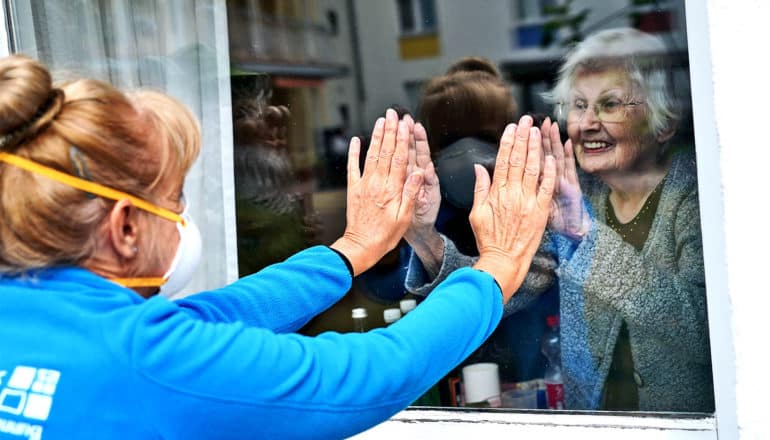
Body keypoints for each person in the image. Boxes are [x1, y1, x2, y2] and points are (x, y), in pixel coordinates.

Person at [0, 54, 555, 439]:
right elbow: (375, 370)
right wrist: (499, 266)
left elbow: (218, 314)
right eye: (173, 201)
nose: (182, 218)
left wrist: (351, 250)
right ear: (124, 228)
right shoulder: (147, 359)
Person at [404, 28, 713, 412]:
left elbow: (705, 330)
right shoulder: (579, 194)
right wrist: (424, 239)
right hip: (591, 424)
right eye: (579, 105)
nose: (587, 123)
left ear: (663, 122)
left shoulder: (700, 197)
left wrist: (586, 236)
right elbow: (508, 284)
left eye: (611, 104)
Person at [407, 57, 559, 387]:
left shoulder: (536, 204)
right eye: (450, 141)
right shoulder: (428, 207)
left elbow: (533, 280)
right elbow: (390, 286)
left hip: (531, 378)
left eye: (483, 137)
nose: (466, 153)